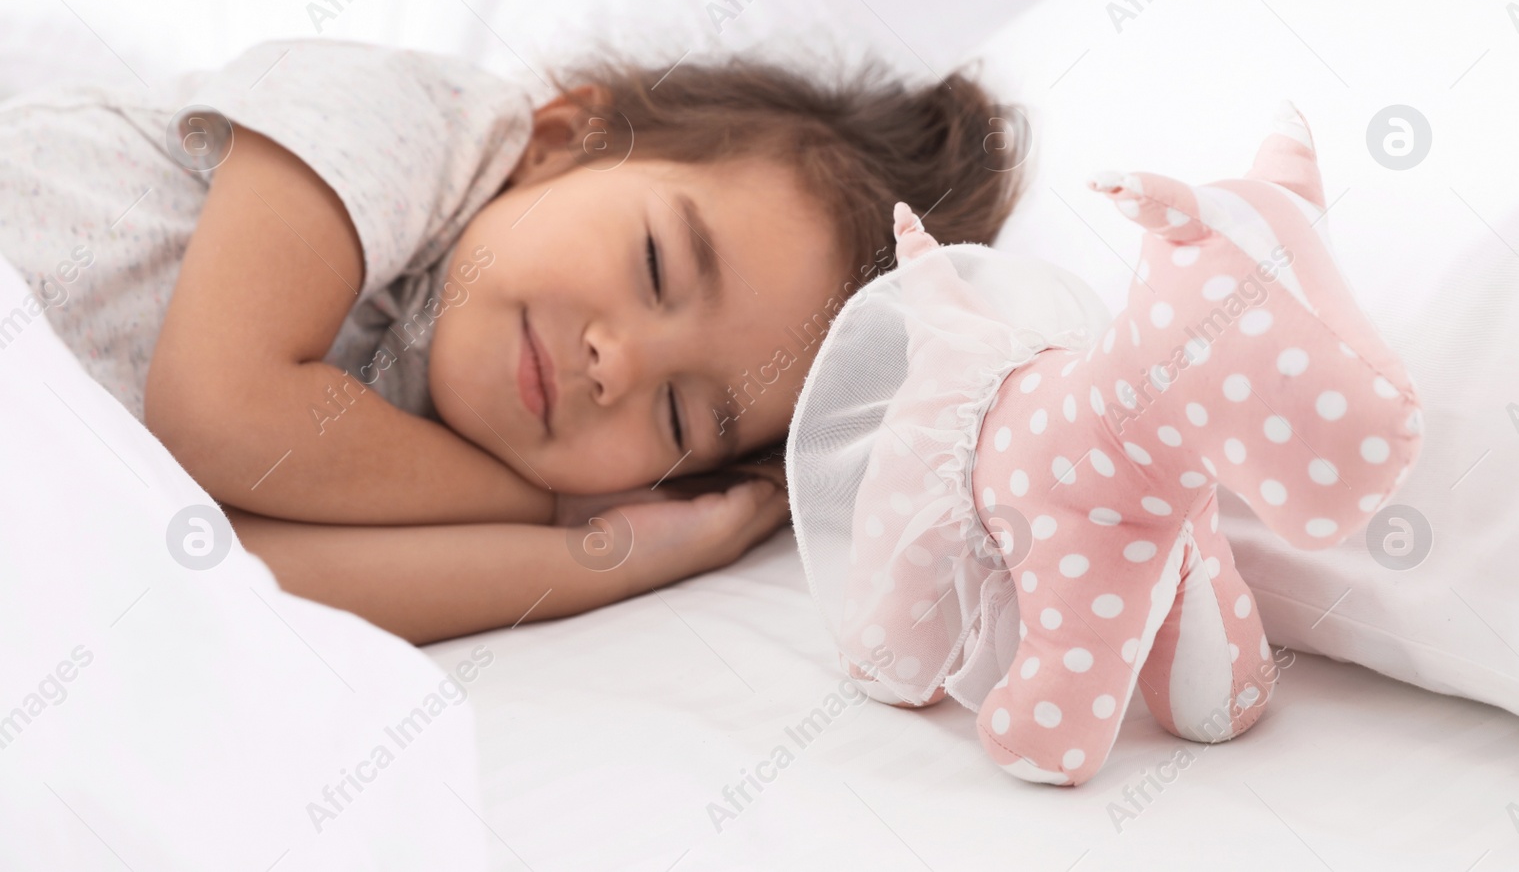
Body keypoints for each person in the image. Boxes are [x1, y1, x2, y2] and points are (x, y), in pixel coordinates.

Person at [0, 40, 1023, 643]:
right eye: (659, 264)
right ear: (564, 135)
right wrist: (542, 503)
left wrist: (600, 560)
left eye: (679, 413)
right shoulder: (401, 122)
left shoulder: (409, 452)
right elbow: (221, 418)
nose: (616, 364)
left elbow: (233, 574)